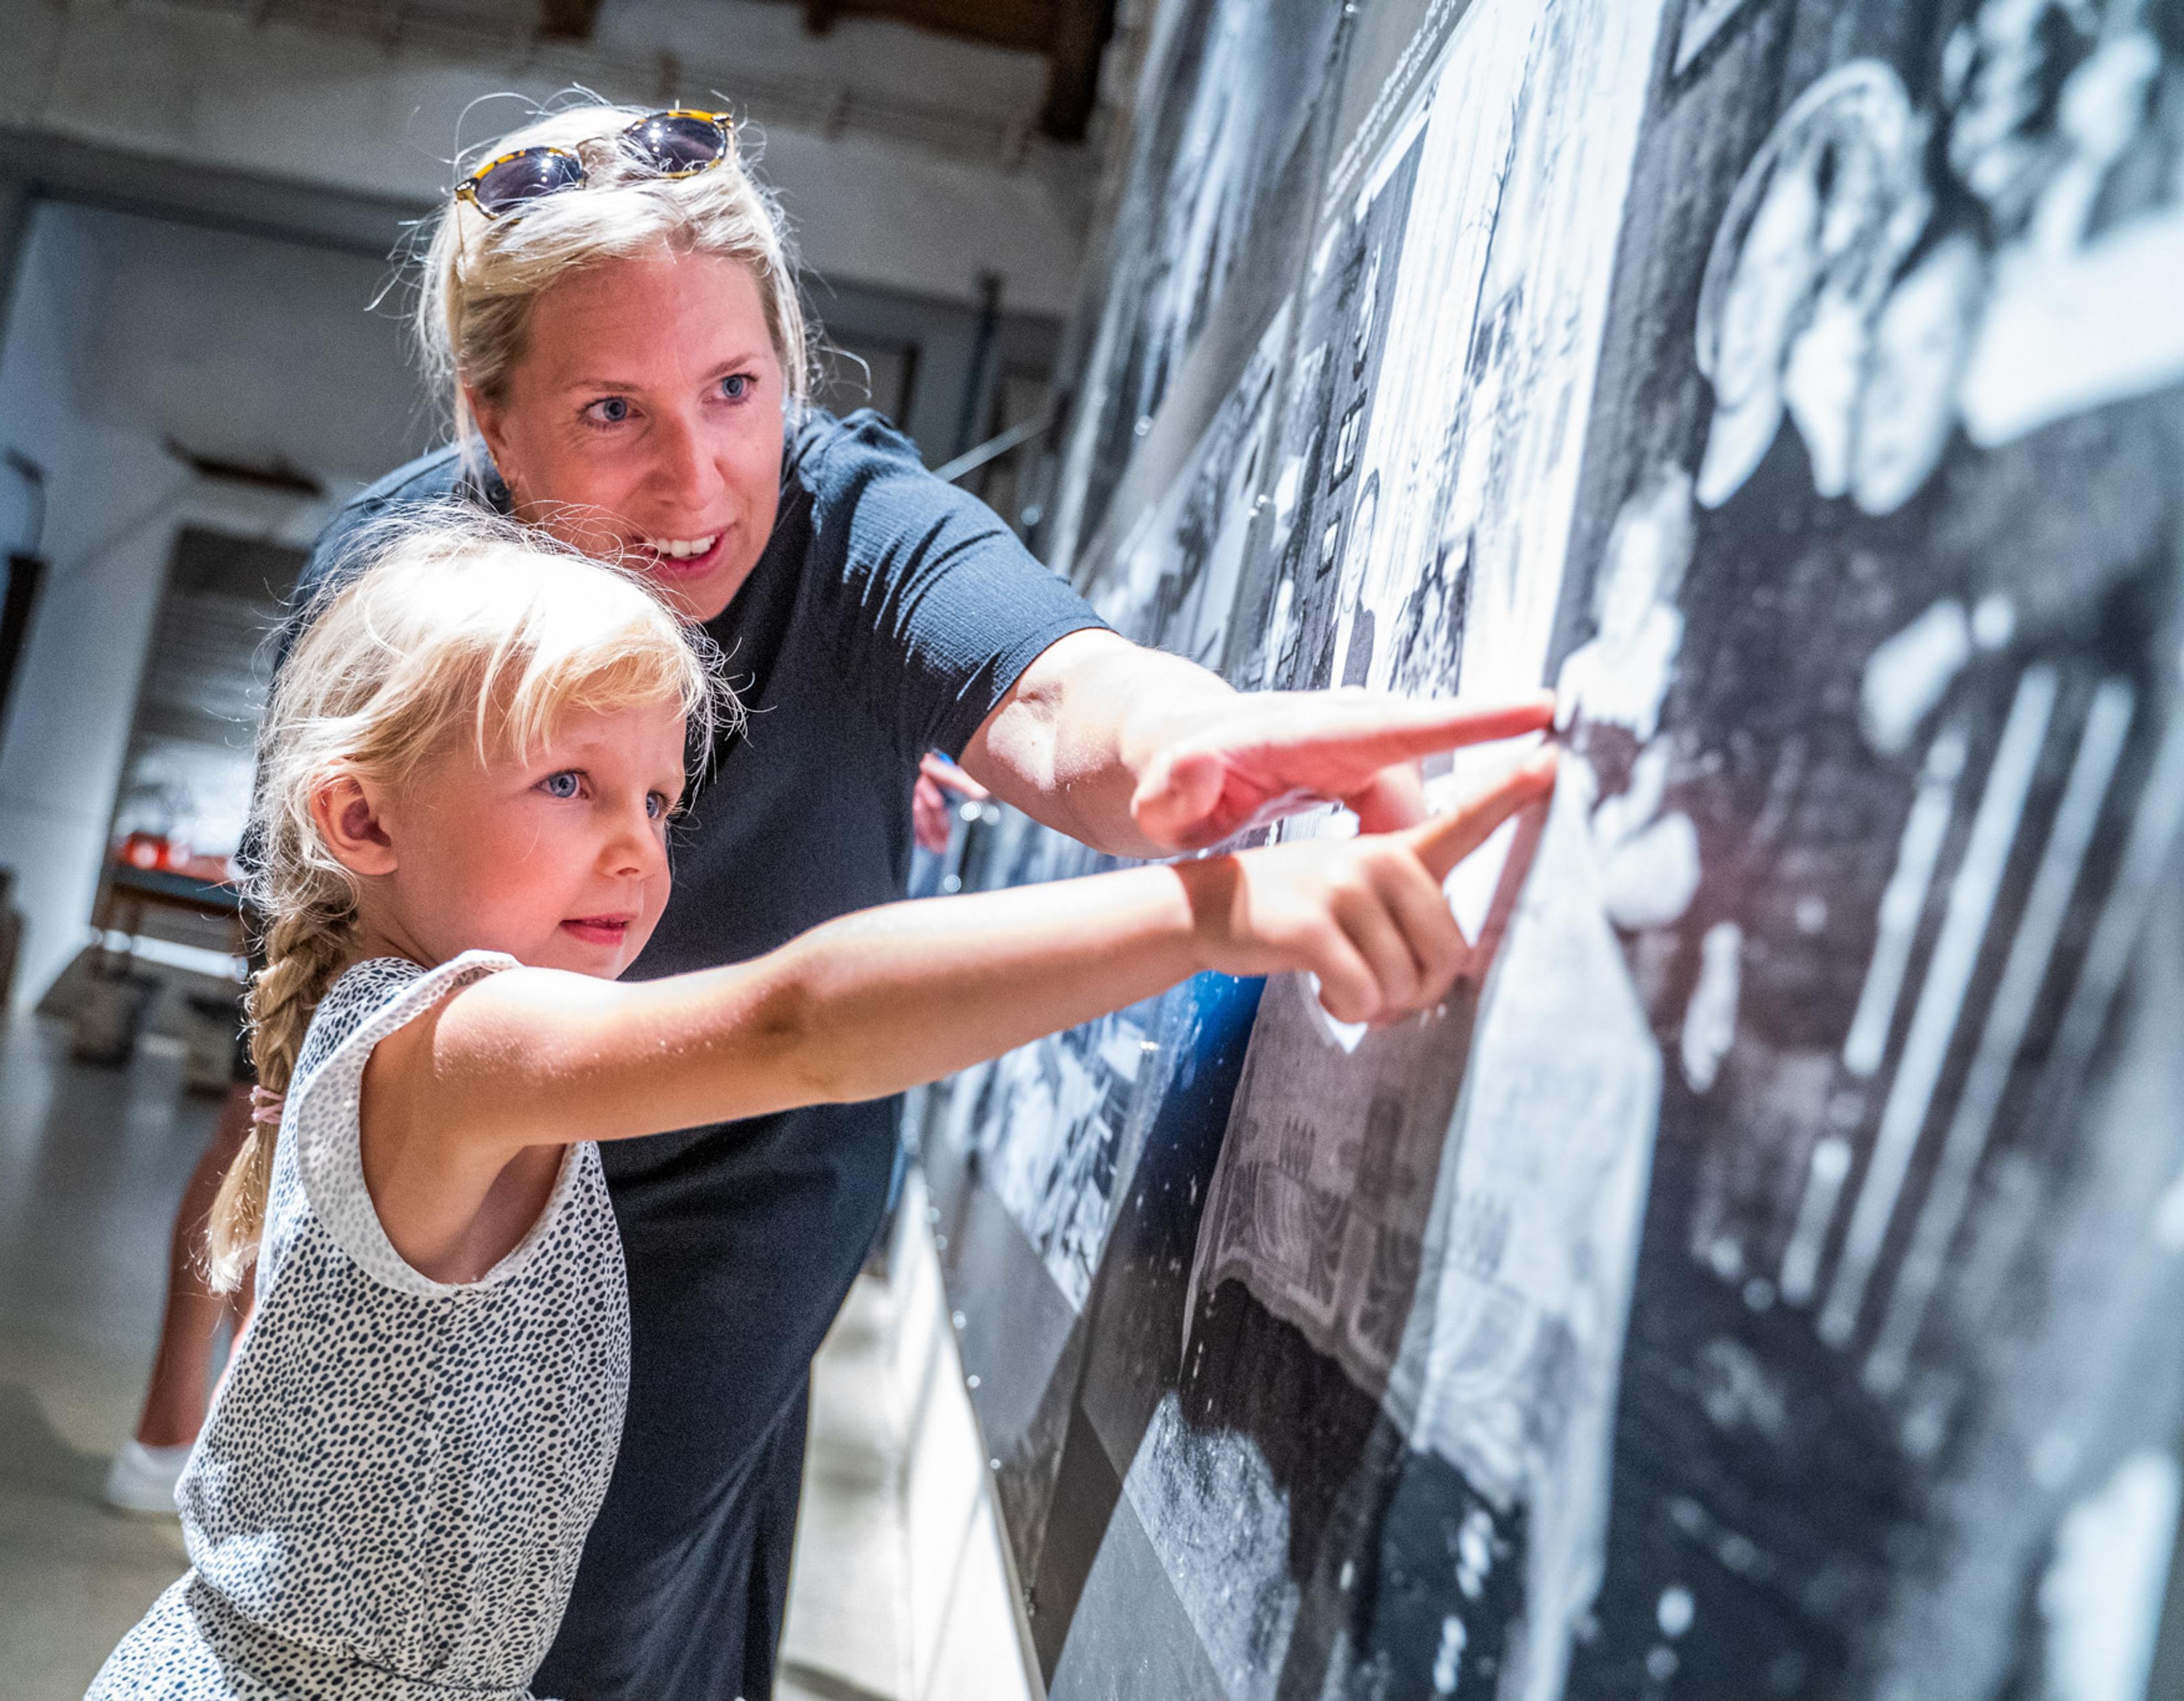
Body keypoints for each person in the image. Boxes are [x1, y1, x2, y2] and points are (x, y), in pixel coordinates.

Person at [105, 100, 1557, 1696]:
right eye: (610, 411)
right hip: (484, 1180)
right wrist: (1207, 914)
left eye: (737, 387)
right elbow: (772, 1020)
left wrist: (1188, 748)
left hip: (742, 1214)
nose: (698, 473)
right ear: (489, 426)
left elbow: (1058, 692)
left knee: (623, 1623)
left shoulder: (845, 517)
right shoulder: (400, 619)